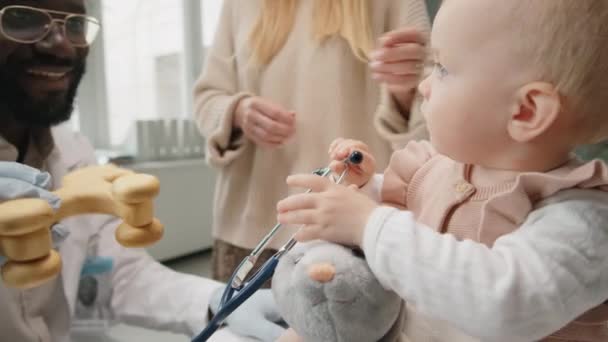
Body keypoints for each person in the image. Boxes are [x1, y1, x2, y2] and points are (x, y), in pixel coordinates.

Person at [276, 0, 608, 341]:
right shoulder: (436, 171)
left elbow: (502, 303)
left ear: (526, 111)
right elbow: (411, 228)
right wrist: (363, 193)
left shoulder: (583, 222)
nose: (424, 85)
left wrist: (367, 223)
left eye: (442, 68)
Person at [0, 1, 284, 341]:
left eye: (74, 24)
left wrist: (218, 301)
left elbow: (120, 274)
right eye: (22, 17)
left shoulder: (75, 155)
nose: (61, 44)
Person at [193, 0, 430, 285]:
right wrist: (237, 112)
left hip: (354, 234)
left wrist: (403, 94)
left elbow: (435, 108)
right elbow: (207, 97)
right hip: (249, 235)